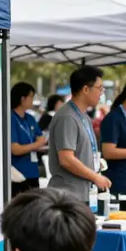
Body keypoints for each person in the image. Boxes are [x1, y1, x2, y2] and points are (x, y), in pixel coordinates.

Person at [47, 66, 112, 209]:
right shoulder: (67, 116)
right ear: (86, 89)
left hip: (83, 194)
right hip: (67, 197)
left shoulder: (83, 116)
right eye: (99, 88)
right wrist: (95, 177)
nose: (101, 93)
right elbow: (66, 159)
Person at [10, 82, 45, 197]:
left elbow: (42, 139)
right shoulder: (10, 118)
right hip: (17, 174)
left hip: (33, 172)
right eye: (31, 97)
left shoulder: (30, 118)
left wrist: (32, 145)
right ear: (22, 98)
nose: (33, 100)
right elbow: (15, 149)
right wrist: (35, 145)